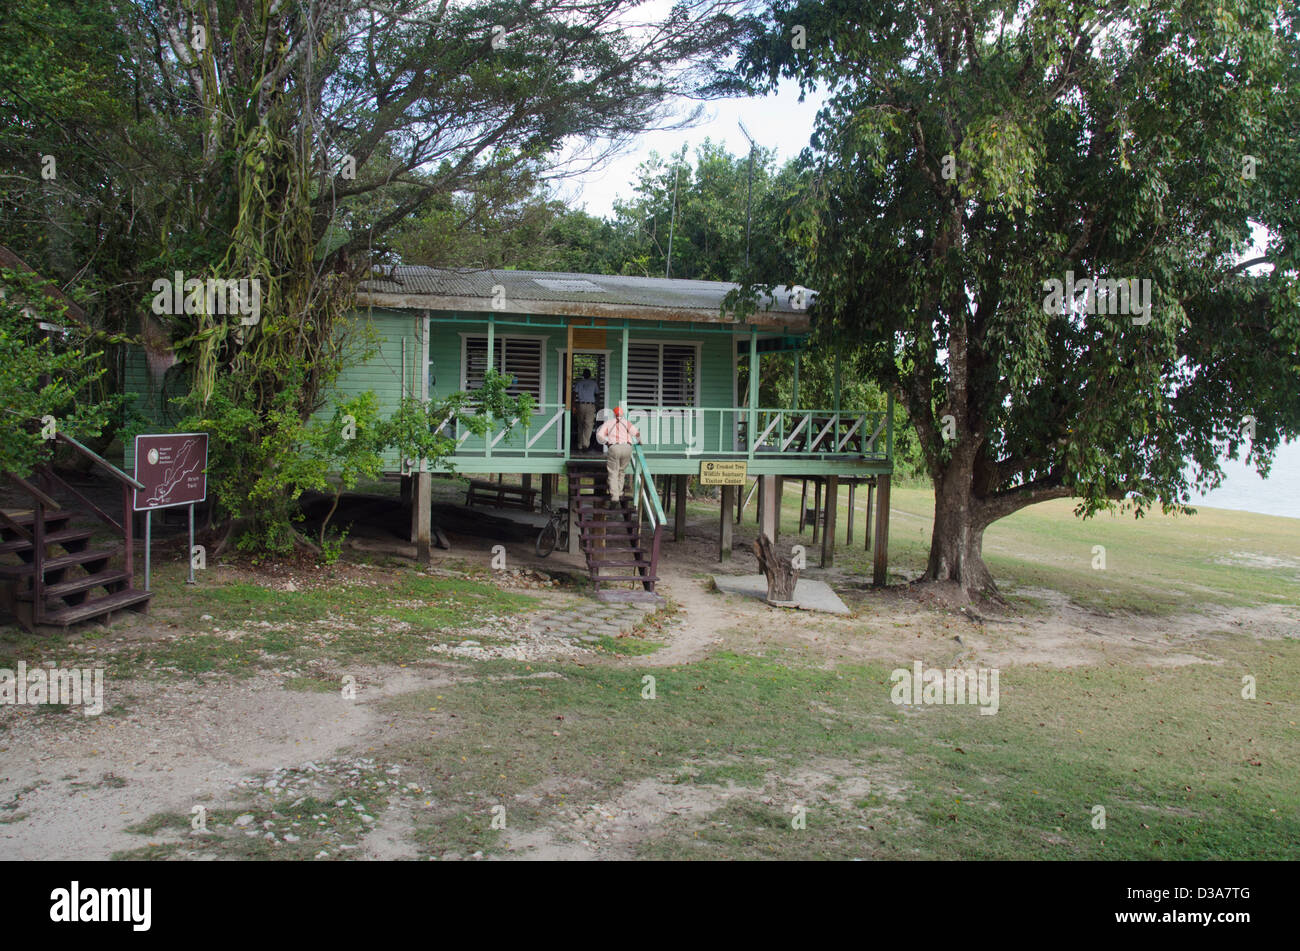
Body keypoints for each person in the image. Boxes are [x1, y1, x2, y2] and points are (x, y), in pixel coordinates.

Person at [595, 405, 641, 506]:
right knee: (621, 471)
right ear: (622, 414)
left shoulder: (609, 423)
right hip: (627, 448)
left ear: (614, 414)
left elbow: (599, 435)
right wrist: (639, 442)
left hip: (614, 447)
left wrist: (606, 443)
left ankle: (614, 497)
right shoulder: (627, 423)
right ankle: (619, 493)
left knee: (613, 472)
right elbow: (637, 433)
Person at [573, 368, 599, 451]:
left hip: (581, 405)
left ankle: (580, 445)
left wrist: (573, 405)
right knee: (588, 425)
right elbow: (597, 394)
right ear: (590, 375)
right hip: (590, 405)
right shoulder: (593, 383)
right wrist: (597, 404)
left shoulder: (579, 383)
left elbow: (574, 393)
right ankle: (585, 444)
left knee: (580, 425)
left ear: (583, 375)